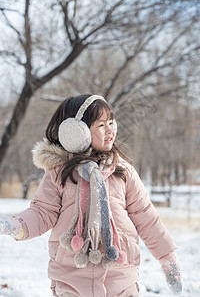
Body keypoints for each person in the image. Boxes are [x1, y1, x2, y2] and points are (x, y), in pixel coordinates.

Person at [0, 94, 182, 297]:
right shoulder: (59, 173)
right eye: (101, 125)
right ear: (77, 133)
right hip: (71, 277)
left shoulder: (123, 171)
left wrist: (167, 256)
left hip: (120, 274)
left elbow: (146, 216)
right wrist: (17, 225)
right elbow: (43, 211)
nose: (110, 129)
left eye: (111, 122)